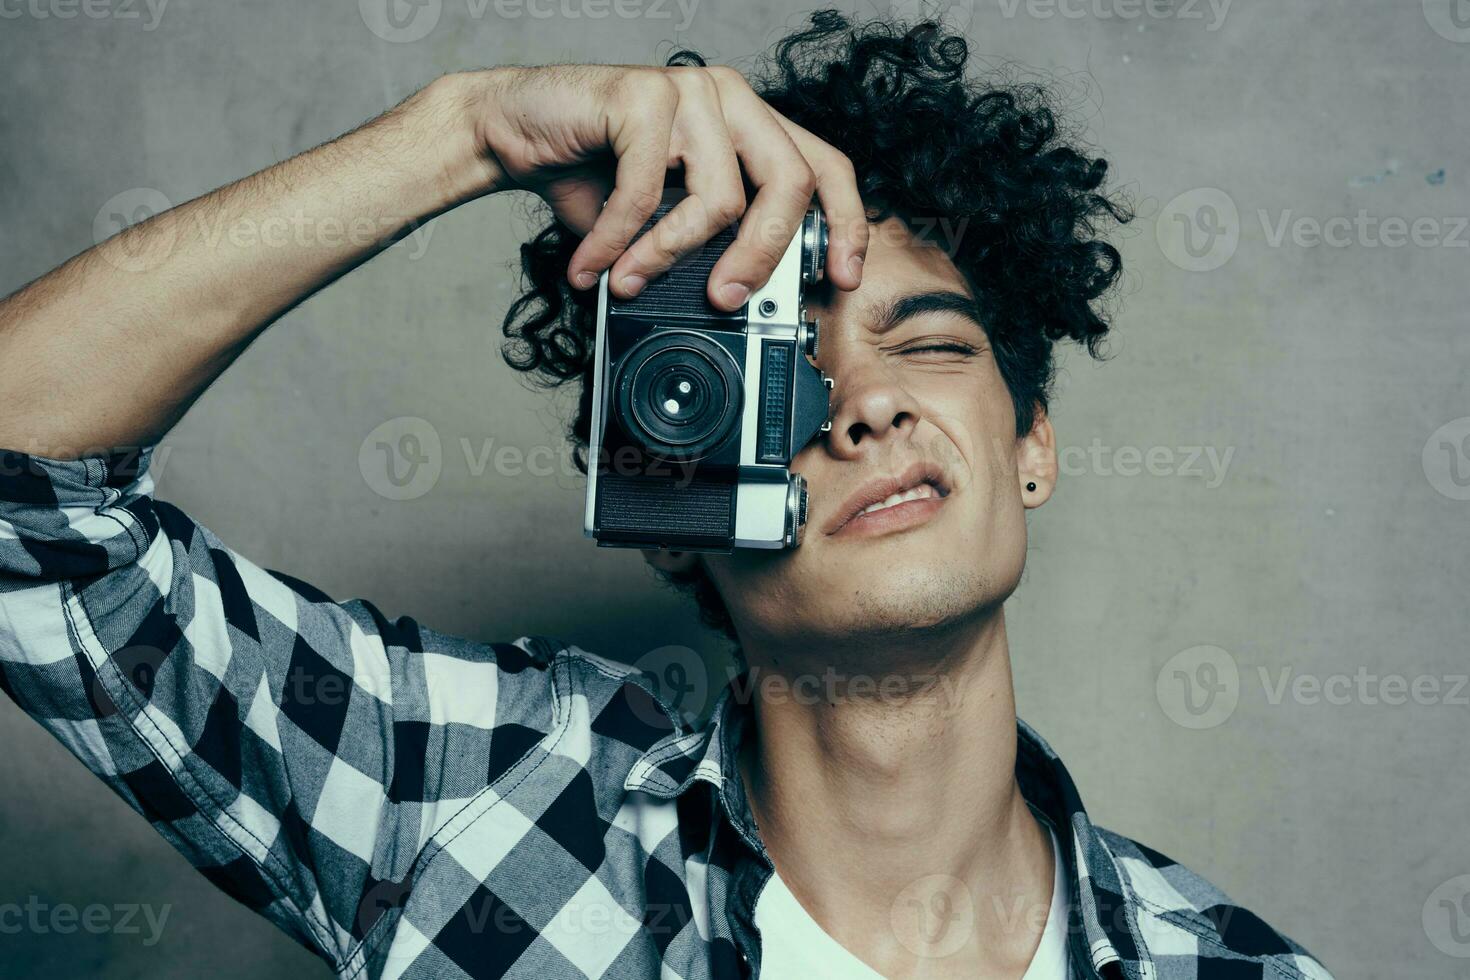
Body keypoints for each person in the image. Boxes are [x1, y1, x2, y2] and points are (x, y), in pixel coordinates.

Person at [0, 11, 1333, 980]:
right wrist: (460, 133)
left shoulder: (1224, 969)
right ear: (670, 479)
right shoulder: (464, 795)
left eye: (928, 346)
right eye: (782, 375)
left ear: (1031, 440)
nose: (861, 403)